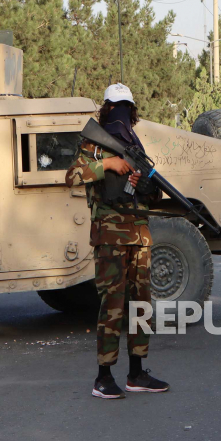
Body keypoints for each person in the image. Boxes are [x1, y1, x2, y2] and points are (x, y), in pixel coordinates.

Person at [65, 83, 169, 400]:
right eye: (117, 108)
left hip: (139, 235)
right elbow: (72, 177)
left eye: (127, 109)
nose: (122, 116)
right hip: (109, 235)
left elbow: (156, 194)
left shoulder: (135, 146)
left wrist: (141, 182)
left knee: (140, 305)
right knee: (112, 305)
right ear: (107, 110)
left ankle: (136, 372)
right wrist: (108, 165)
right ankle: (103, 377)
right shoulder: (94, 146)